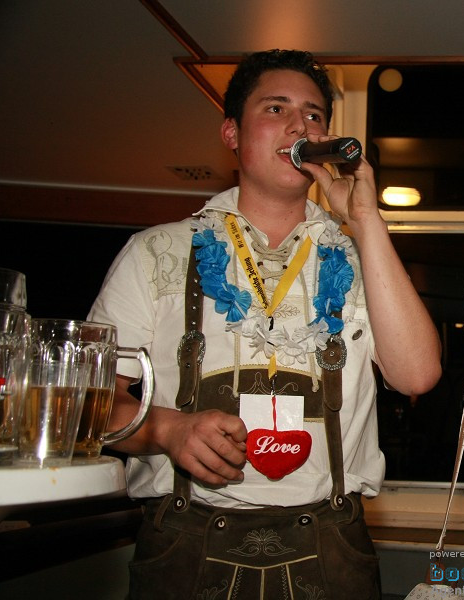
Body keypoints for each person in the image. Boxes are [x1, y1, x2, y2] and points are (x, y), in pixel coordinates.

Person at [89, 49, 441, 599]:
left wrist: (367, 221)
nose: (300, 124)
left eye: (315, 114)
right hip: (185, 544)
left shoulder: (356, 259)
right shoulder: (155, 252)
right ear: (231, 132)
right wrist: (166, 428)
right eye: (276, 108)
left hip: (331, 547)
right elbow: (90, 403)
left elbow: (417, 374)